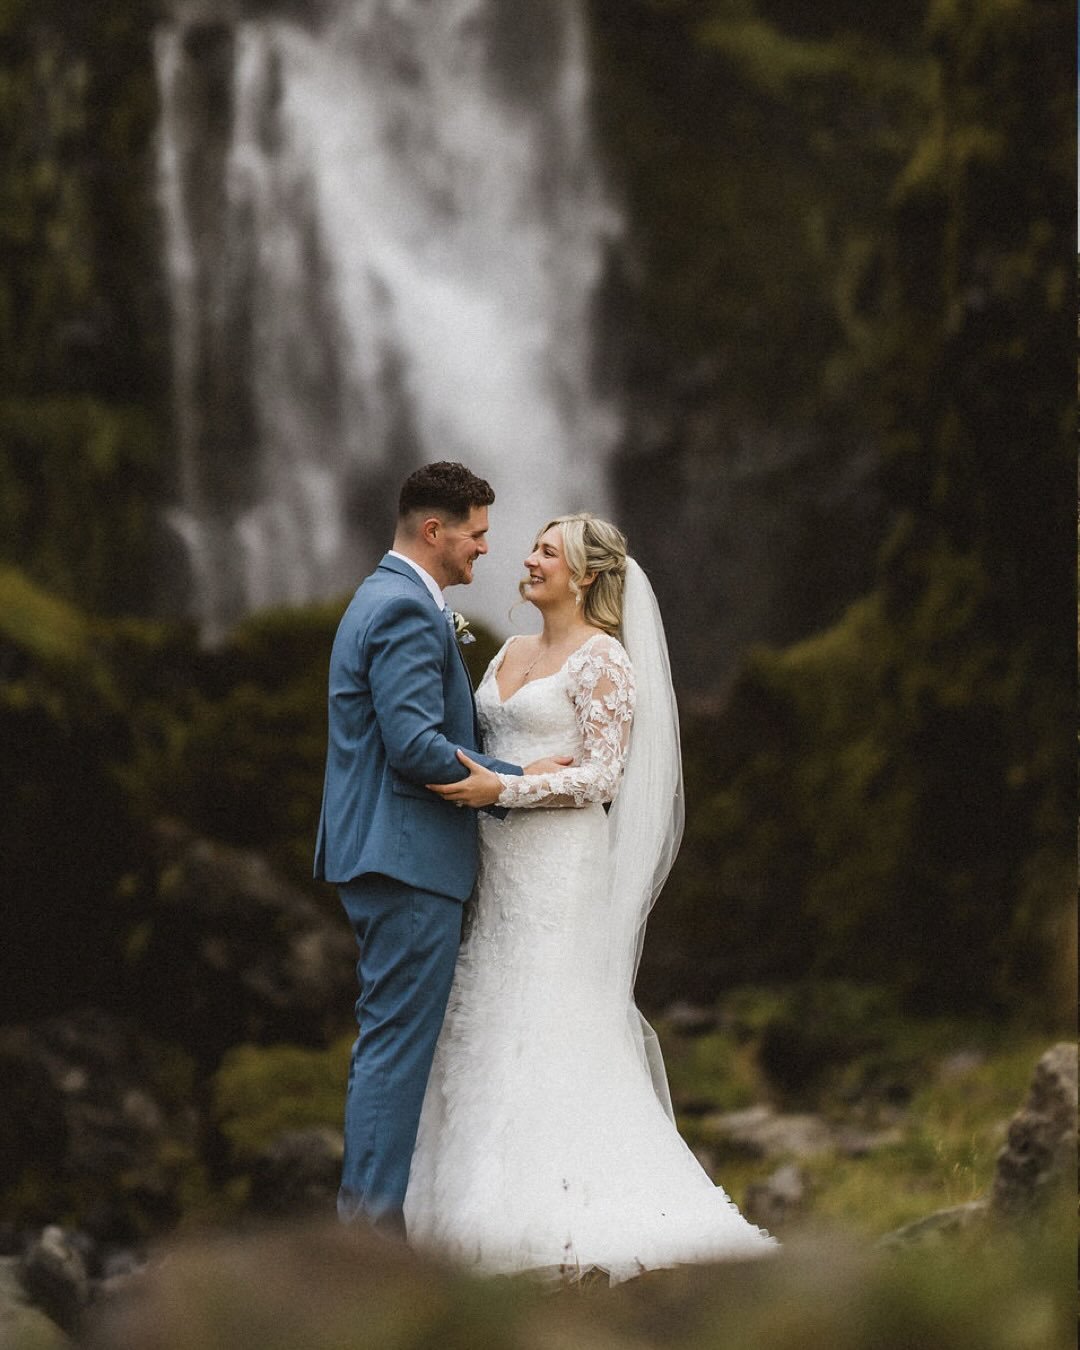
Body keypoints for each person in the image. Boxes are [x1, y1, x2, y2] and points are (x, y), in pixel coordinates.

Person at [408, 512, 776, 1281]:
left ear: (585, 576)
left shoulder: (603, 659)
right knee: (486, 1011)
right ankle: (468, 1215)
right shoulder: (508, 649)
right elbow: (488, 746)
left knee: (547, 1016)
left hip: (555, 867)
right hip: (497, 864)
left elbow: (605, 777)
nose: (530, 558)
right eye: (535, 547)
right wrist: (500, 776)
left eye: (549, 551)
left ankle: (552, 1219)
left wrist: (509, 784)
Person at [314, 462, 571, 1239]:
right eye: (478, 534)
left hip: (389, 854)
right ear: (436, 531)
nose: (487, 551)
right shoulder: (401, 610)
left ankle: (371, 1225)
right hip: (406, 858)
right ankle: (369, 1237)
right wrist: (516, 776)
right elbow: (417, 747)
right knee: (394, 1048)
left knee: (388, 1041)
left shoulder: (384, 598)